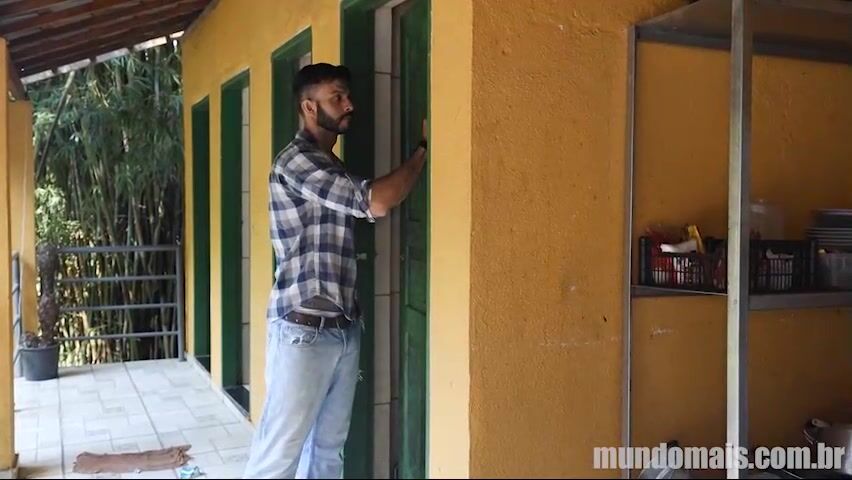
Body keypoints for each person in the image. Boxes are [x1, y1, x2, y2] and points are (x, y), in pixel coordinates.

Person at [242, 63, 428, 479]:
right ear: (310, 107)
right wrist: (423, 150)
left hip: (341, 329)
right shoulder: (297, 162)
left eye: (346, 96)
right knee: (278, 456)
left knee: (328, 454)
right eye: (337, 97)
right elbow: (375, 201)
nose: (349, 105)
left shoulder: (329, 164)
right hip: (303, 331)